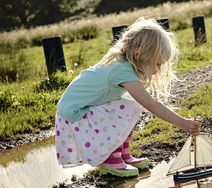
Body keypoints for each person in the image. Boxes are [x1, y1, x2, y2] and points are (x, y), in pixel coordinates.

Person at [55, 17, 201, 177]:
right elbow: (151, 105)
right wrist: (182, 123)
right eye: (157, 64)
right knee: (130, 106)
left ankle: (122, 154)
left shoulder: (124, 65)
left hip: (81, 109)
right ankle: (110, 158)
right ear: (138, 54)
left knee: (130, 105)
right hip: (75, 114)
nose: (158, 70)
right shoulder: (122, 70)